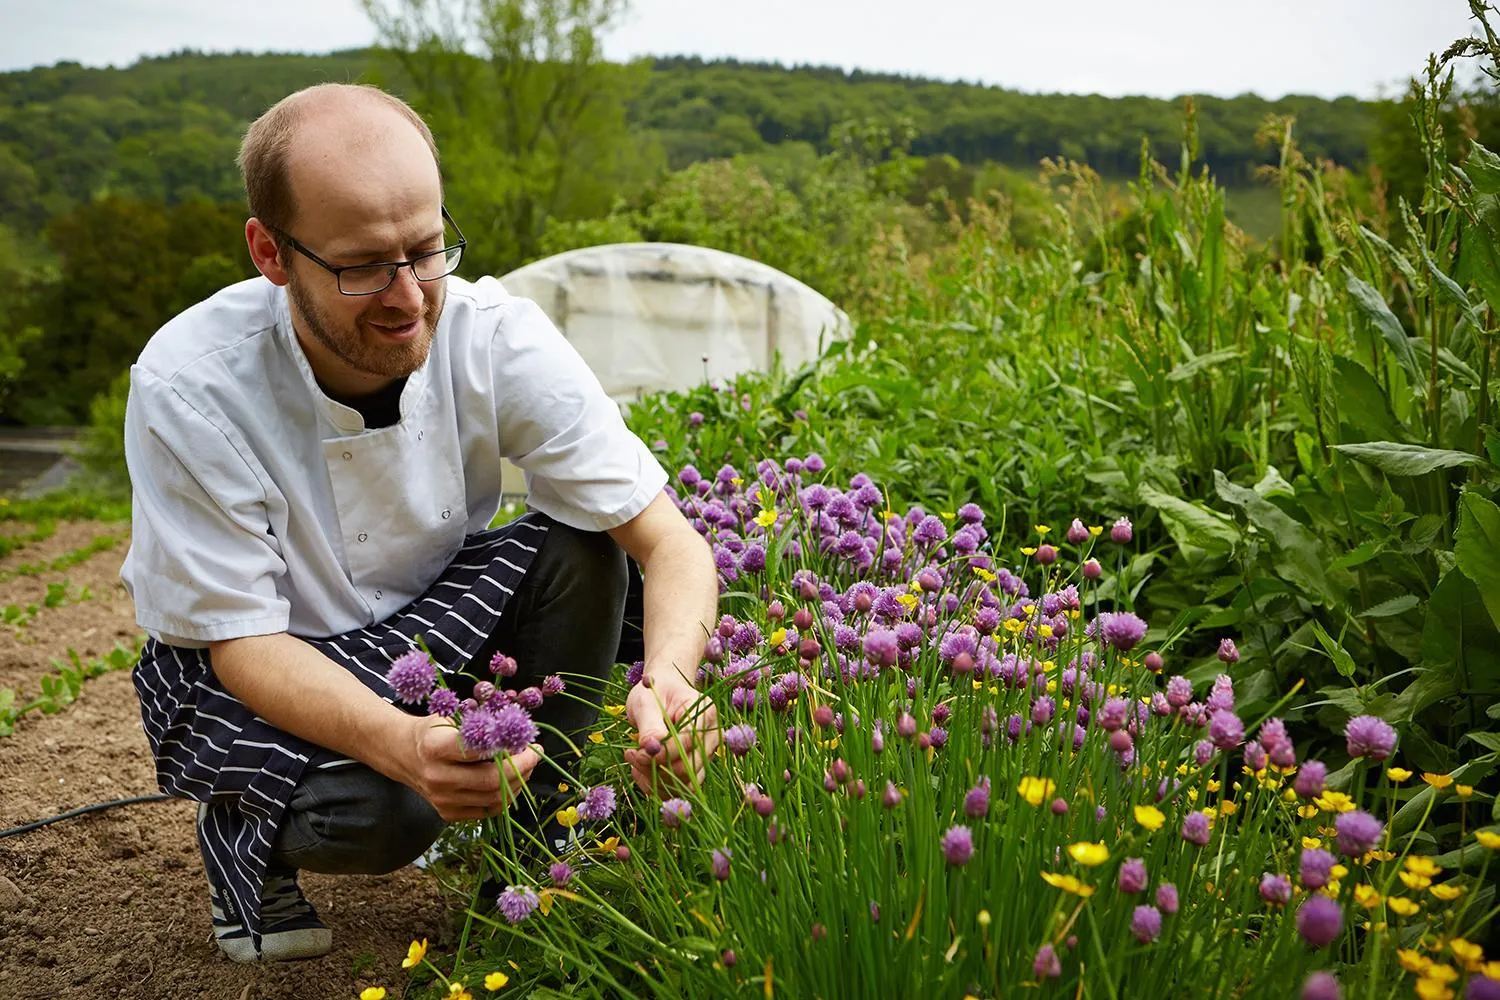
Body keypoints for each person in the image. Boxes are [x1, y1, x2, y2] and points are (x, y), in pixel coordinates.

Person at [119, 82, 720, 963]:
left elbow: (668, 540)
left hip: (422, 620)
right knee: (381, 812)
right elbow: (239, 640)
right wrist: (403, 746)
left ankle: (525, 860)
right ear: (270, 253)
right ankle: (244, 833)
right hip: (256, 656)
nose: (408, 296)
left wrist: (673, 684)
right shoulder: (190, 386)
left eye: (427, 250)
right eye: (362, 265)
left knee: (587, 545)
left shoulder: (495, 336)